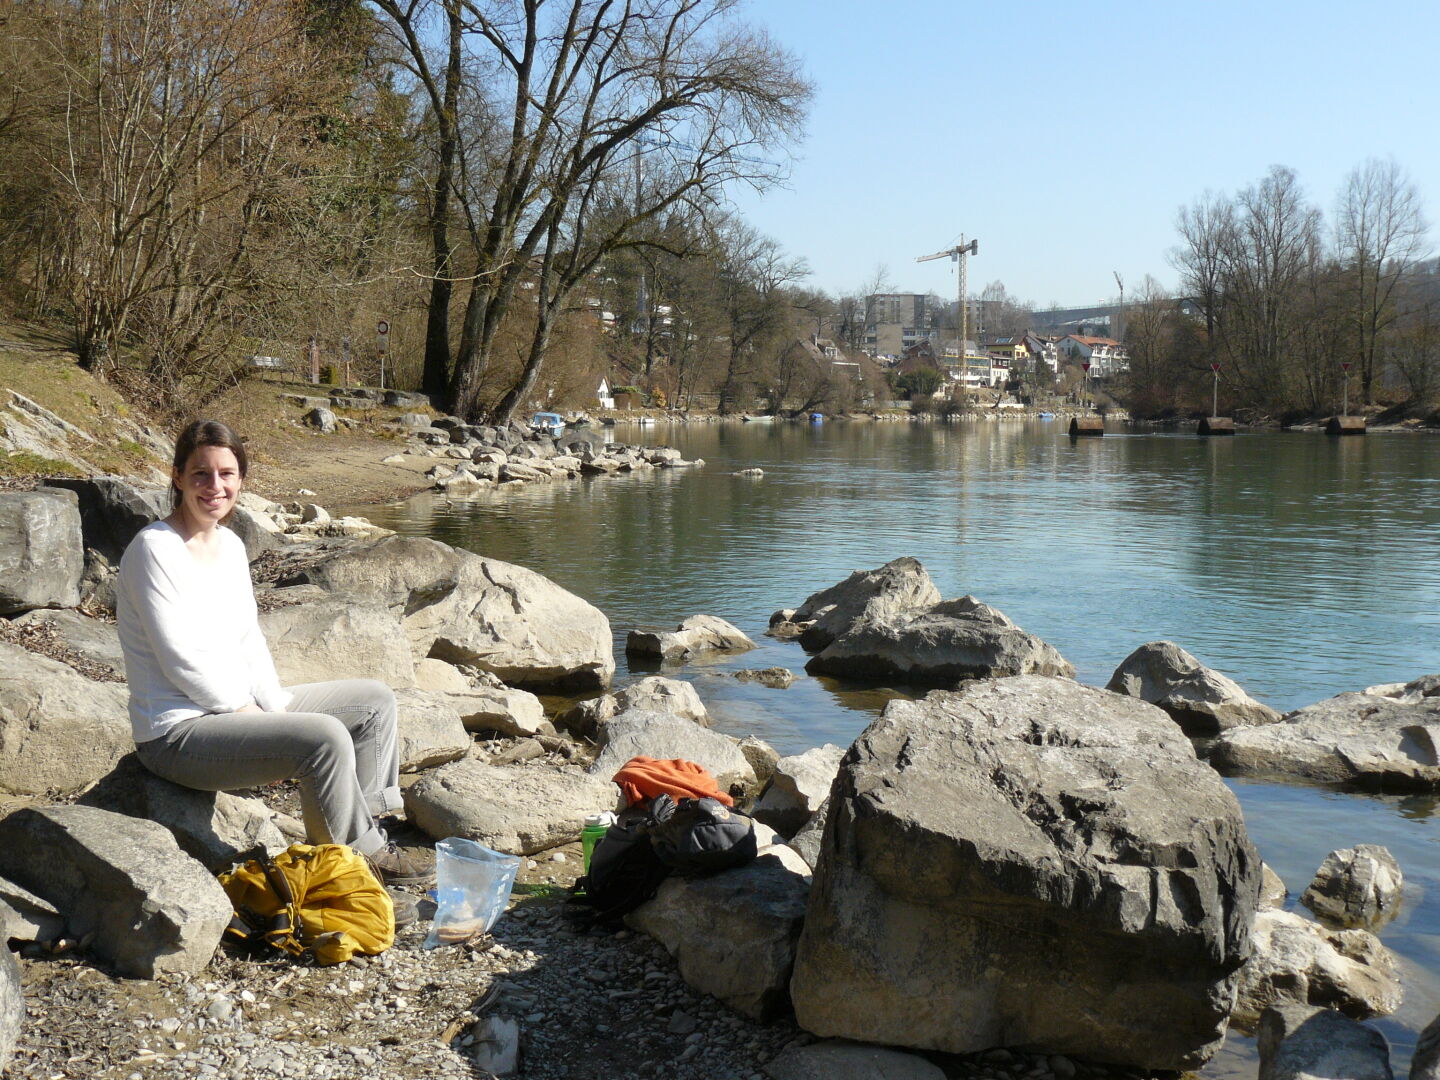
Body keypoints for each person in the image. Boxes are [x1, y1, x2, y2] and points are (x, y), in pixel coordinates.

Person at [115, 419, 433, 893]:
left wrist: (273, 709)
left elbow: (248, 638)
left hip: (233, 712)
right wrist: (246, 713)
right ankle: (342, 872)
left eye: (227, 474)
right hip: (176, 733)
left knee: (373, 701)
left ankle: (368, 834)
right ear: (177, 476)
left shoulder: (230, 544)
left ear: (241, 480)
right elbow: (179, 657)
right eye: (201, 474)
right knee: (323, 738)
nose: (215, 486)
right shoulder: (154, 549)